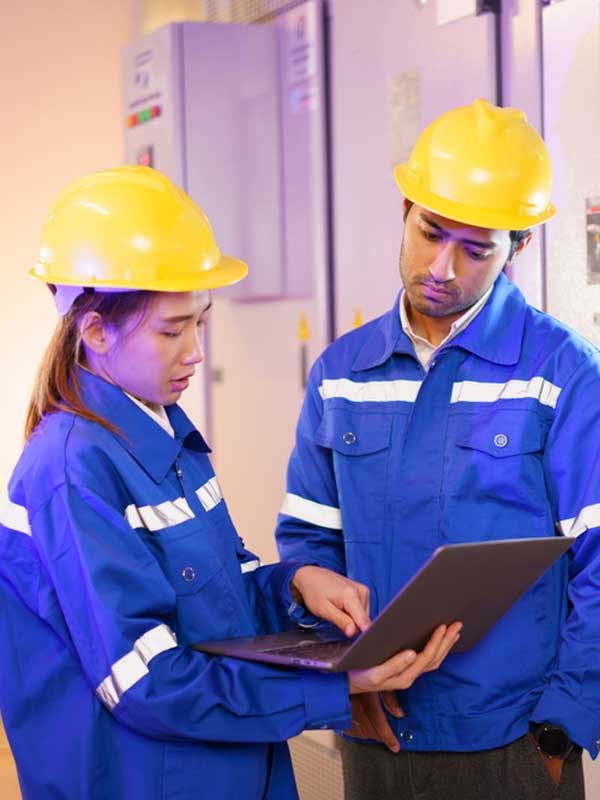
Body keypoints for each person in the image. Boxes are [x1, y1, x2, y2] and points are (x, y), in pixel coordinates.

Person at [0, 166, 461, 799]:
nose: (194, 351)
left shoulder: (167, 435)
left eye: (200, 323)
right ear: (97, 332)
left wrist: (294, 583)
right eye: (171, 330)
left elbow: (220, 598)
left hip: (232, 772)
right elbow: (146, 684)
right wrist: (338, 685)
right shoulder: (72, 468)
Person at [276, 99, 600, 800]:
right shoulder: (342, 373)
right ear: (405, 208)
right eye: (429, 232)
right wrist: (343, 679)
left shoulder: (561, 372)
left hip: (511, 741)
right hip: (374, 730)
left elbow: (598, 560)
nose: (441, 266)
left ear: (519, 246)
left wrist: (559, 731)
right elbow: (308, 546)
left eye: (476, 248)